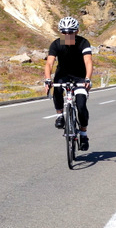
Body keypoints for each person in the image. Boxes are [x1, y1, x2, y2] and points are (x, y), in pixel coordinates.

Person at [43, 16, 93, 151]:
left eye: (70, 32)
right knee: (57, 88)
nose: (67, 35)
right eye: (64, 32)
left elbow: (88, 61)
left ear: (76, 31)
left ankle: (83, 134)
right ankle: (59, 115)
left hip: (80, 77)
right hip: (63, 75)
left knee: (81, 105)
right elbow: (49, 63)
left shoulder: (83, 43)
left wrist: (87, 78)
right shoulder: (56, 44)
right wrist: (47, 79)